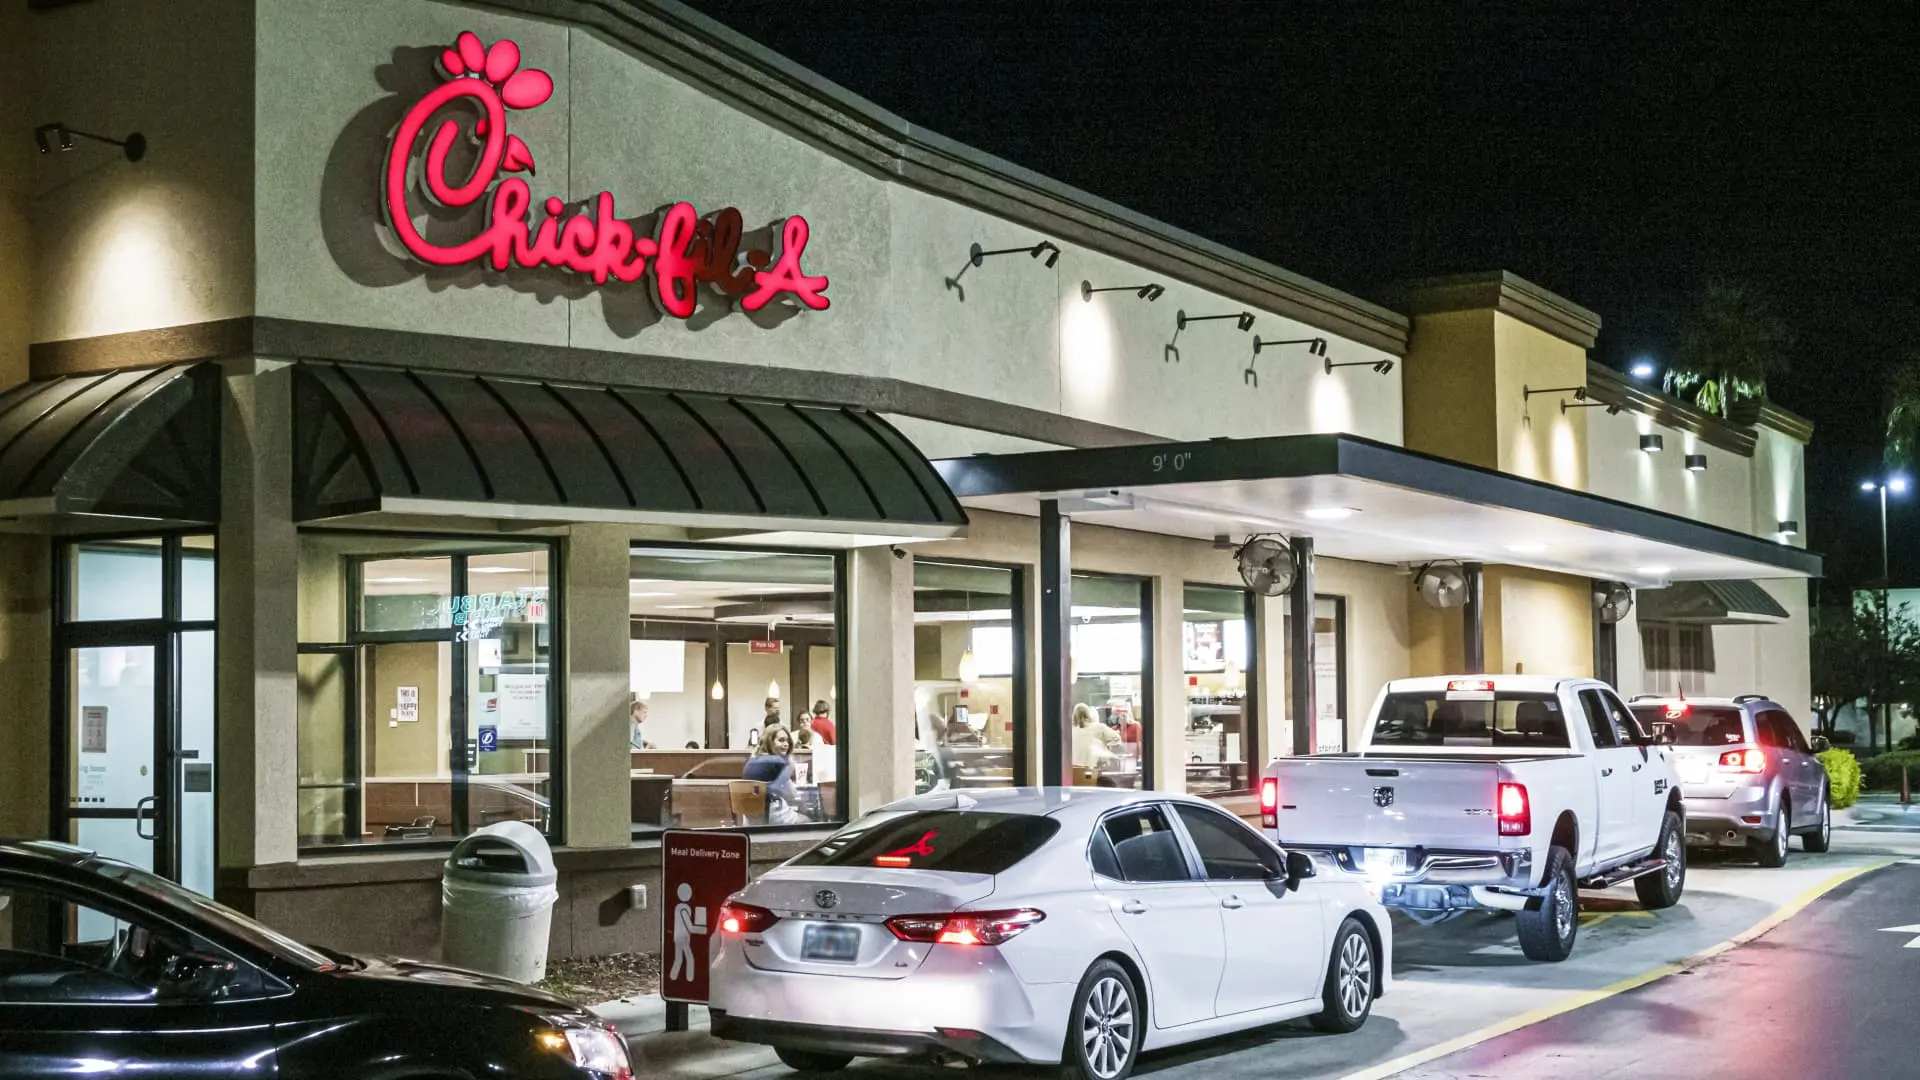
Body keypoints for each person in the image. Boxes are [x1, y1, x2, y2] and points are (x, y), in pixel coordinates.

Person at [743, 724, 804, 824]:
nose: (786, 744)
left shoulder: (752, 760)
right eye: (781, 740)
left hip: (750, 819)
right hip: (771, 814)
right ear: (769, 742)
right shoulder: (782, 762)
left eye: (787, 740)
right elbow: (793, 796)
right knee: (809, 819)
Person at [1072, 703, 1121, 777]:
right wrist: (1105, 748)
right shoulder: (1100, 728)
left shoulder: (1069, 731)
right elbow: (1117, 739)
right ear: (1088, 714)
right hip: (1093, 773)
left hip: (1074, 775)